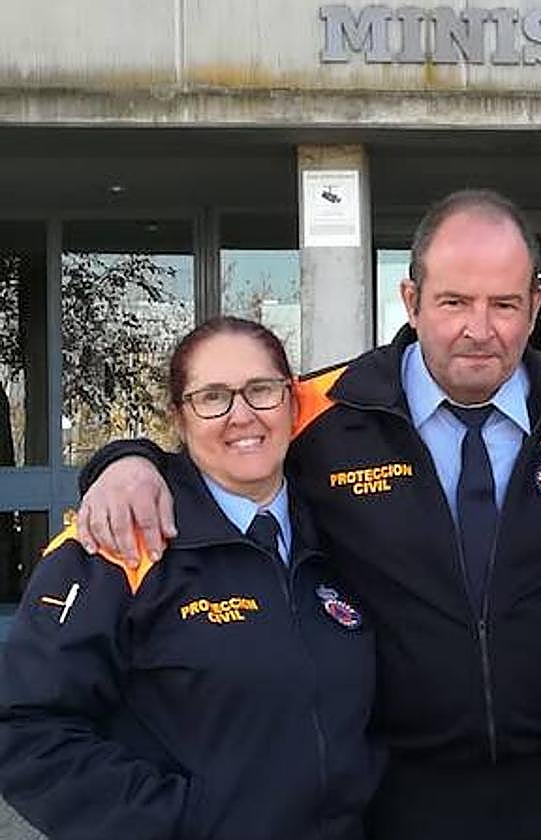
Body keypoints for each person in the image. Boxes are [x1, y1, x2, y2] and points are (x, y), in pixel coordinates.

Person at [70, 191, 541, 839]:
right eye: (453, 302)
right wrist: (124, 460)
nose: (480, 329)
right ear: (411, 300)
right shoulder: (321, 415)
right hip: (395, 791)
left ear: (535, 303)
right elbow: (220, 449)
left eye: (503, 304)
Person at [0, 317, 383, 839]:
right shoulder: (124, 540)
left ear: (293, 403)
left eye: (261, 390)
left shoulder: (343, 528)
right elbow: (24, 726)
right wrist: (178, 824)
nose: (241, 416)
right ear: (178, 418)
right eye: (211, 397)